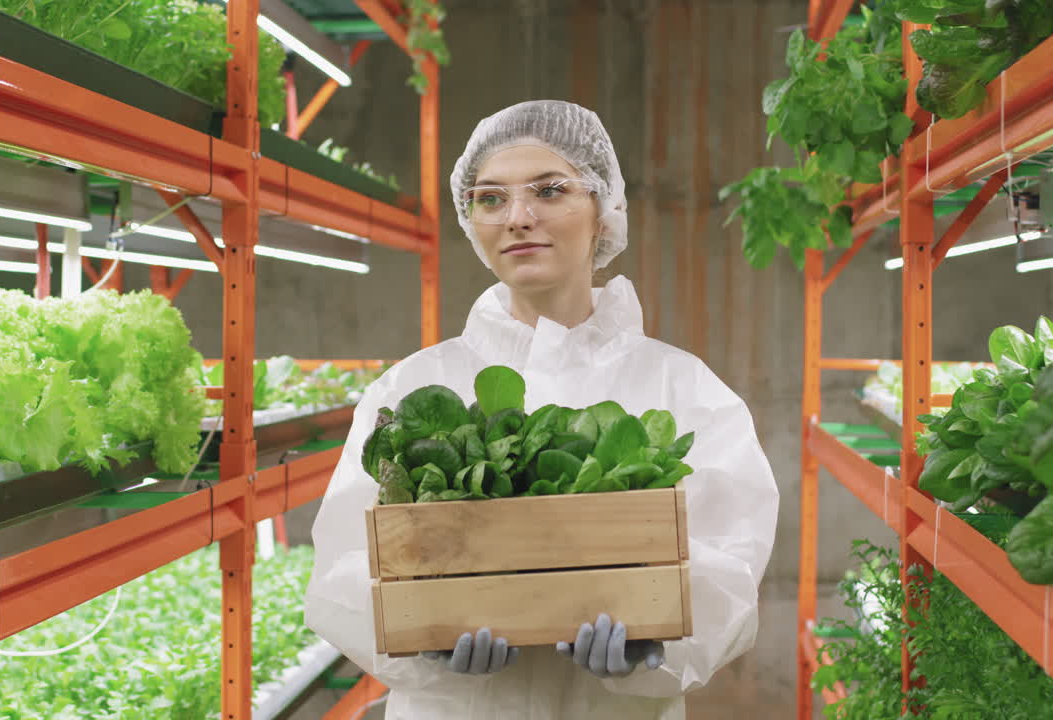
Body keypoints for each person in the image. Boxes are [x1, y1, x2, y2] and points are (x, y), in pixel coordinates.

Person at [305, 99, 778, 719]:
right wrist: (423, 641)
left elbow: (732, 565)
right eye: (490, 198)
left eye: (549, 191)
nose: (518, 218)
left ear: (603, 210)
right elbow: (345, 564)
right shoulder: (412, 385)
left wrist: (653, 648)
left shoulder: (682, 388)